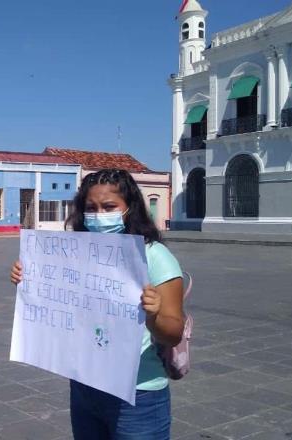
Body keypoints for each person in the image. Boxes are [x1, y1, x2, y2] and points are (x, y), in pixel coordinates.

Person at [10, 168, 184, 440]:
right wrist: (30, 279)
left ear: (130, 209)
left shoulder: (155, 256)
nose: (99, 215)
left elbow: (173, 332)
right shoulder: (74, 255)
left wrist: (153, 316)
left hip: (138, 394)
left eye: (109, 207)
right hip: (85, 386)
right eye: (91, 208)